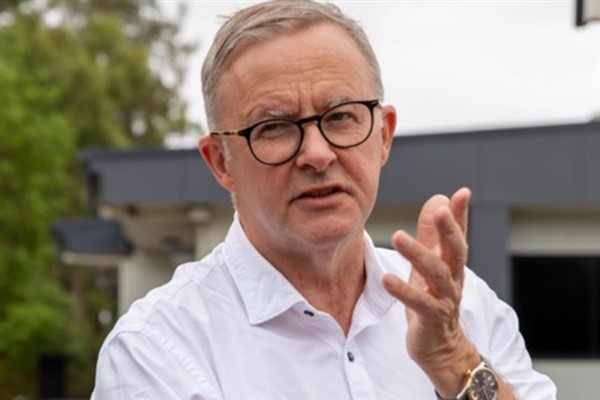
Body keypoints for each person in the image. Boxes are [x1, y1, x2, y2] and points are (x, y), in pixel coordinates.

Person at [91, 1, 556, 399]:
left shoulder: (460, 309)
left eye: (340, 117)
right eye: (274, 127)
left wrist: (454, 362)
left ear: (383, 135)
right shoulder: (157, 349)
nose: (317, 154)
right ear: (221, 163)